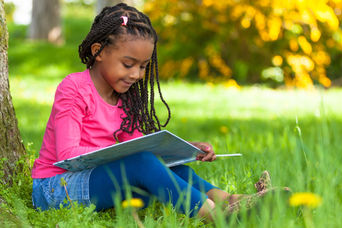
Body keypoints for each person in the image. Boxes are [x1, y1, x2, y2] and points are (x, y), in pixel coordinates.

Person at [31, 3, 272, 220]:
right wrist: (130, 157)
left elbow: (137, 147)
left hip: (101, 179)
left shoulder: (126, 97)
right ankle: (218, 217)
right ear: (99, 51)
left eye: (143, 66)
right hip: (55, 187)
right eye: (128, 64)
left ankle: (230, 200)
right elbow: (68, 153)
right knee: (143, 163)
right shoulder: (74, 88)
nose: (136, 75)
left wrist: (186, 148)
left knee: (171, 169)